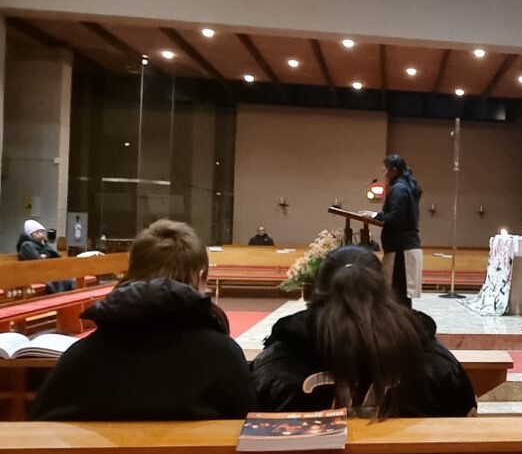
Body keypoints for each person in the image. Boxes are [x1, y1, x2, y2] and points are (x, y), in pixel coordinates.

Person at [31, 219, 258, 421]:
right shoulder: (223, 356)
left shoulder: (80, 358)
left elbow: (41, 427)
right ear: (200, 278)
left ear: (131, 273)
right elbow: (249, 430)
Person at [251, 245, 476, 418]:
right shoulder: (433, 359)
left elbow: (244, 420)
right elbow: (465, 416)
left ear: (315, 293)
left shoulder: (277, 363)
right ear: (385, 290)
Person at [361, 154, 423, 308]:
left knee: (397, 296)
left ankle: (399, 323)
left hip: (401, 250)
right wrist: (376, 215)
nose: (383, 174)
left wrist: (375, 215)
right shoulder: (404, 186)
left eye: (385, 170)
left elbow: (395, 218)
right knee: (400, 297)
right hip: (405, 247)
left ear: (393, 170)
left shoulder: (399, 189)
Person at [17, 219, 74, 293]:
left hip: (46, 270)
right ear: (30, 234)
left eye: (41, 231)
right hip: (34, 273)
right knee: (58, 280)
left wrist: (45, 248)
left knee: (68, 279)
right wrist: (45, 255)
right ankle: (58, 296)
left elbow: (55, 256)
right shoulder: (26, 245)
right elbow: (38, 260)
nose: (40, 234)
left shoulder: (42, 243)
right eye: (37, 232)